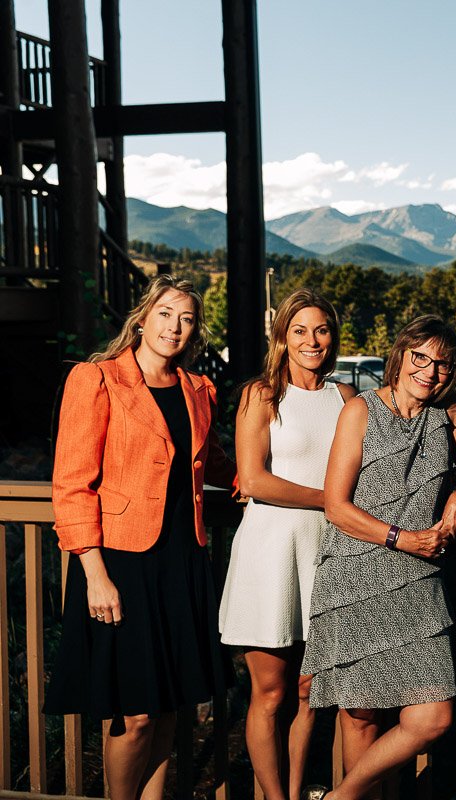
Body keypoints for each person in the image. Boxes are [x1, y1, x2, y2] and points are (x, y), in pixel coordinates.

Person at [45, 275, 236, 800]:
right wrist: (95, 574)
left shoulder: (199, 390)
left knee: (171, 706)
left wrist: (265, 484)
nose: (175, 327)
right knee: (136, 715)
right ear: (143, 317)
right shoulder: (97, 380)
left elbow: (214, 462)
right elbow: (72, 485)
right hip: (121, 564)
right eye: (166, 314)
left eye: (187, 319)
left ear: (195, 330)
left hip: (183, 560)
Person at [299, 315, 456, 800]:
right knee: (362, 714)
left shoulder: (450, 413)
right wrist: (401, 538)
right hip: (355, 574)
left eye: (442, 363)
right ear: (400, 355)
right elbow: (336, 506)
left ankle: (339, 797)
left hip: (419, 581)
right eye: (420, 358)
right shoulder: (361, 410)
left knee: (433, 717)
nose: (429, 371)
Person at [219, 289, 356, 800]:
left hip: (328, 554)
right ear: (282, 337)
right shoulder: (261, 394)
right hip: (271, 555)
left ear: (333, 337)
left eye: (321, 330)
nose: (311, 340)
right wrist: (331, 499)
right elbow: (253, 480)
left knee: (309, 691)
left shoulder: (346, 398)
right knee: (271, 692)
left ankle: (296, 793)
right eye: (299, 330)